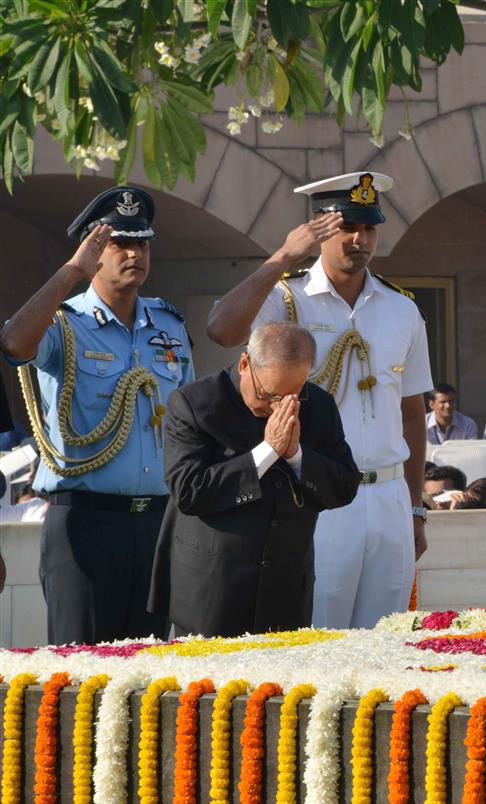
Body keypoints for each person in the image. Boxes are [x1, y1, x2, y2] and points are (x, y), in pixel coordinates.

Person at [205, 172, 433, 629]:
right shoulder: (286, 298)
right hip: (318, 491)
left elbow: (412, 412)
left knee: (388, 639)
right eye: (346, 226)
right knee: (321, 635)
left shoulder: (401, 307)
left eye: (368, 228)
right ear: (319, 228)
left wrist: (415, 506)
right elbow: (222, 329)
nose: (359, 239)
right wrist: (285, 256)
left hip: (388, 495)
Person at [0, 186, 195, 644]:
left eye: (142, 243)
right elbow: (14, 344)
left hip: (157, 521)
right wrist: (70, 273)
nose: (134, 254)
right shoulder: (64, 321)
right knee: (81, 672)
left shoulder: (169, 325)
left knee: (149, 679)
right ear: (93, 252)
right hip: (86, 523)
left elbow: (185, 417)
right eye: (119, 243)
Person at [149, 324, 360, 637]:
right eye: (268, 395)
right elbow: (189, 492)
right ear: (245, 364)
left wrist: (296, 456)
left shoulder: (318, 405)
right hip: (212, 589)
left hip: (285, 588)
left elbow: (344, 486)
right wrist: (266, 452)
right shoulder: (195, 404)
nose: (278, 407)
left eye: (293, 395)